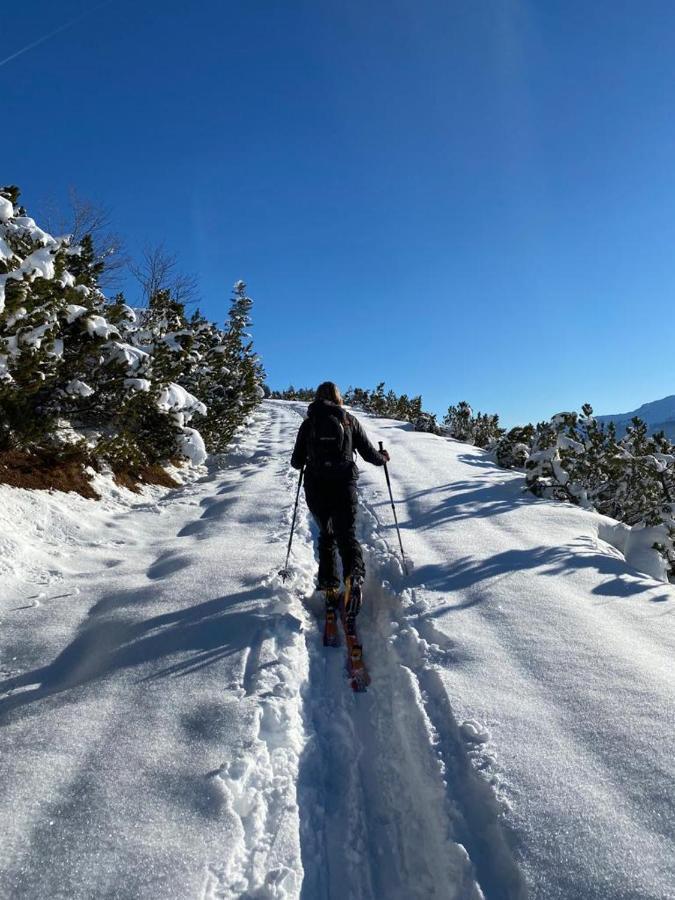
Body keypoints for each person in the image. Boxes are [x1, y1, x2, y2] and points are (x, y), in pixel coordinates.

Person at [290, 381, 389, 626]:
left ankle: (329, 587)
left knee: (327, 535)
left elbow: (295, 462)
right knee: (347, 534)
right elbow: (369, 454)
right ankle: (353, 577)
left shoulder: (308, 423)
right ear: (338, 398)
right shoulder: (348, 420)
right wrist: (383, 457)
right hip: (344, 484)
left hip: (316, 486)